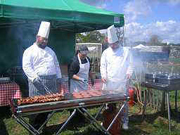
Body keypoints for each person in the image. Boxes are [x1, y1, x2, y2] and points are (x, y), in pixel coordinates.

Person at [22, 21, 62, 131]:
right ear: (37, 37)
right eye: (43, 39)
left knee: (48, 106)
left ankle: (44, 127)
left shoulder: (51, 51)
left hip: (51, 81)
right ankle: (34, 130)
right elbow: (26, 66)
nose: (45, 41)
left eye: (46, 39)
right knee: (36, 106)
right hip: (37, 82)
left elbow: (56, 65)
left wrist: (58, 77)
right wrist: (34, 78)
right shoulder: (29, 51)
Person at [100, 25, 133, 130]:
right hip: (109, 81)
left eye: (114, 44)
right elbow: (103, 65)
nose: (112, 46)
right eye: (110, 44)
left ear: (117, 42)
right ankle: (108, 120)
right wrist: (104, 75)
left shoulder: (126, 51)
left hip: (122, 81)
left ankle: (124, 121)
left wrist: (129, 73)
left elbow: (130, 64)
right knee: (108, 103)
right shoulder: (106, 52)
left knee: (124, 103)